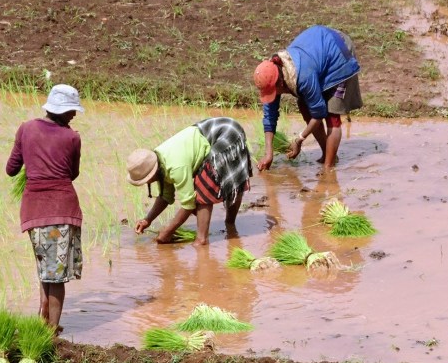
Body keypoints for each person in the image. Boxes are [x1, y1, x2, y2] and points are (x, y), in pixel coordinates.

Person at [5, 83, 83, 332]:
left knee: (45, 267)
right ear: (62, 110)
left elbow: (11, 169)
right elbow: (72, 174)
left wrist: (34, 162)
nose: (74, 115)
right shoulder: (72, 137)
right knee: (56, 275)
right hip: (61, 210)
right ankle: (51, 332)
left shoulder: (25, 128)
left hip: (33, 211)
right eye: (72, 110)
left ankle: (43, 319)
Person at [128, 116, 252, 245]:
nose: (147, 182)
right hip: (212, 131)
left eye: (145, 180)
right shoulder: (159, 163)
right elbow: (165, 197)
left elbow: (188, 204)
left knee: (205, 186)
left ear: (152, 173)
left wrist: (168, 231)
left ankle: (202, 239)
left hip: (227, 132)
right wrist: (147, 220)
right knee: (208, 185)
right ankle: (230, 227)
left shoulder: (176, 167)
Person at [254, 25, 362, 171]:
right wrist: (269, 153)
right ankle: (327, 154)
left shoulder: (303, 76)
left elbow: (319, 113)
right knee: (304, 105)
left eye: (273, 91)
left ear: (281, 83)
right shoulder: (271, 74)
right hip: (318, 50)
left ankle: (328, 169)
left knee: (332, 115)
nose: (273, 95)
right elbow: (269, 117)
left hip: (338, 51)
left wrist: (299, 139)